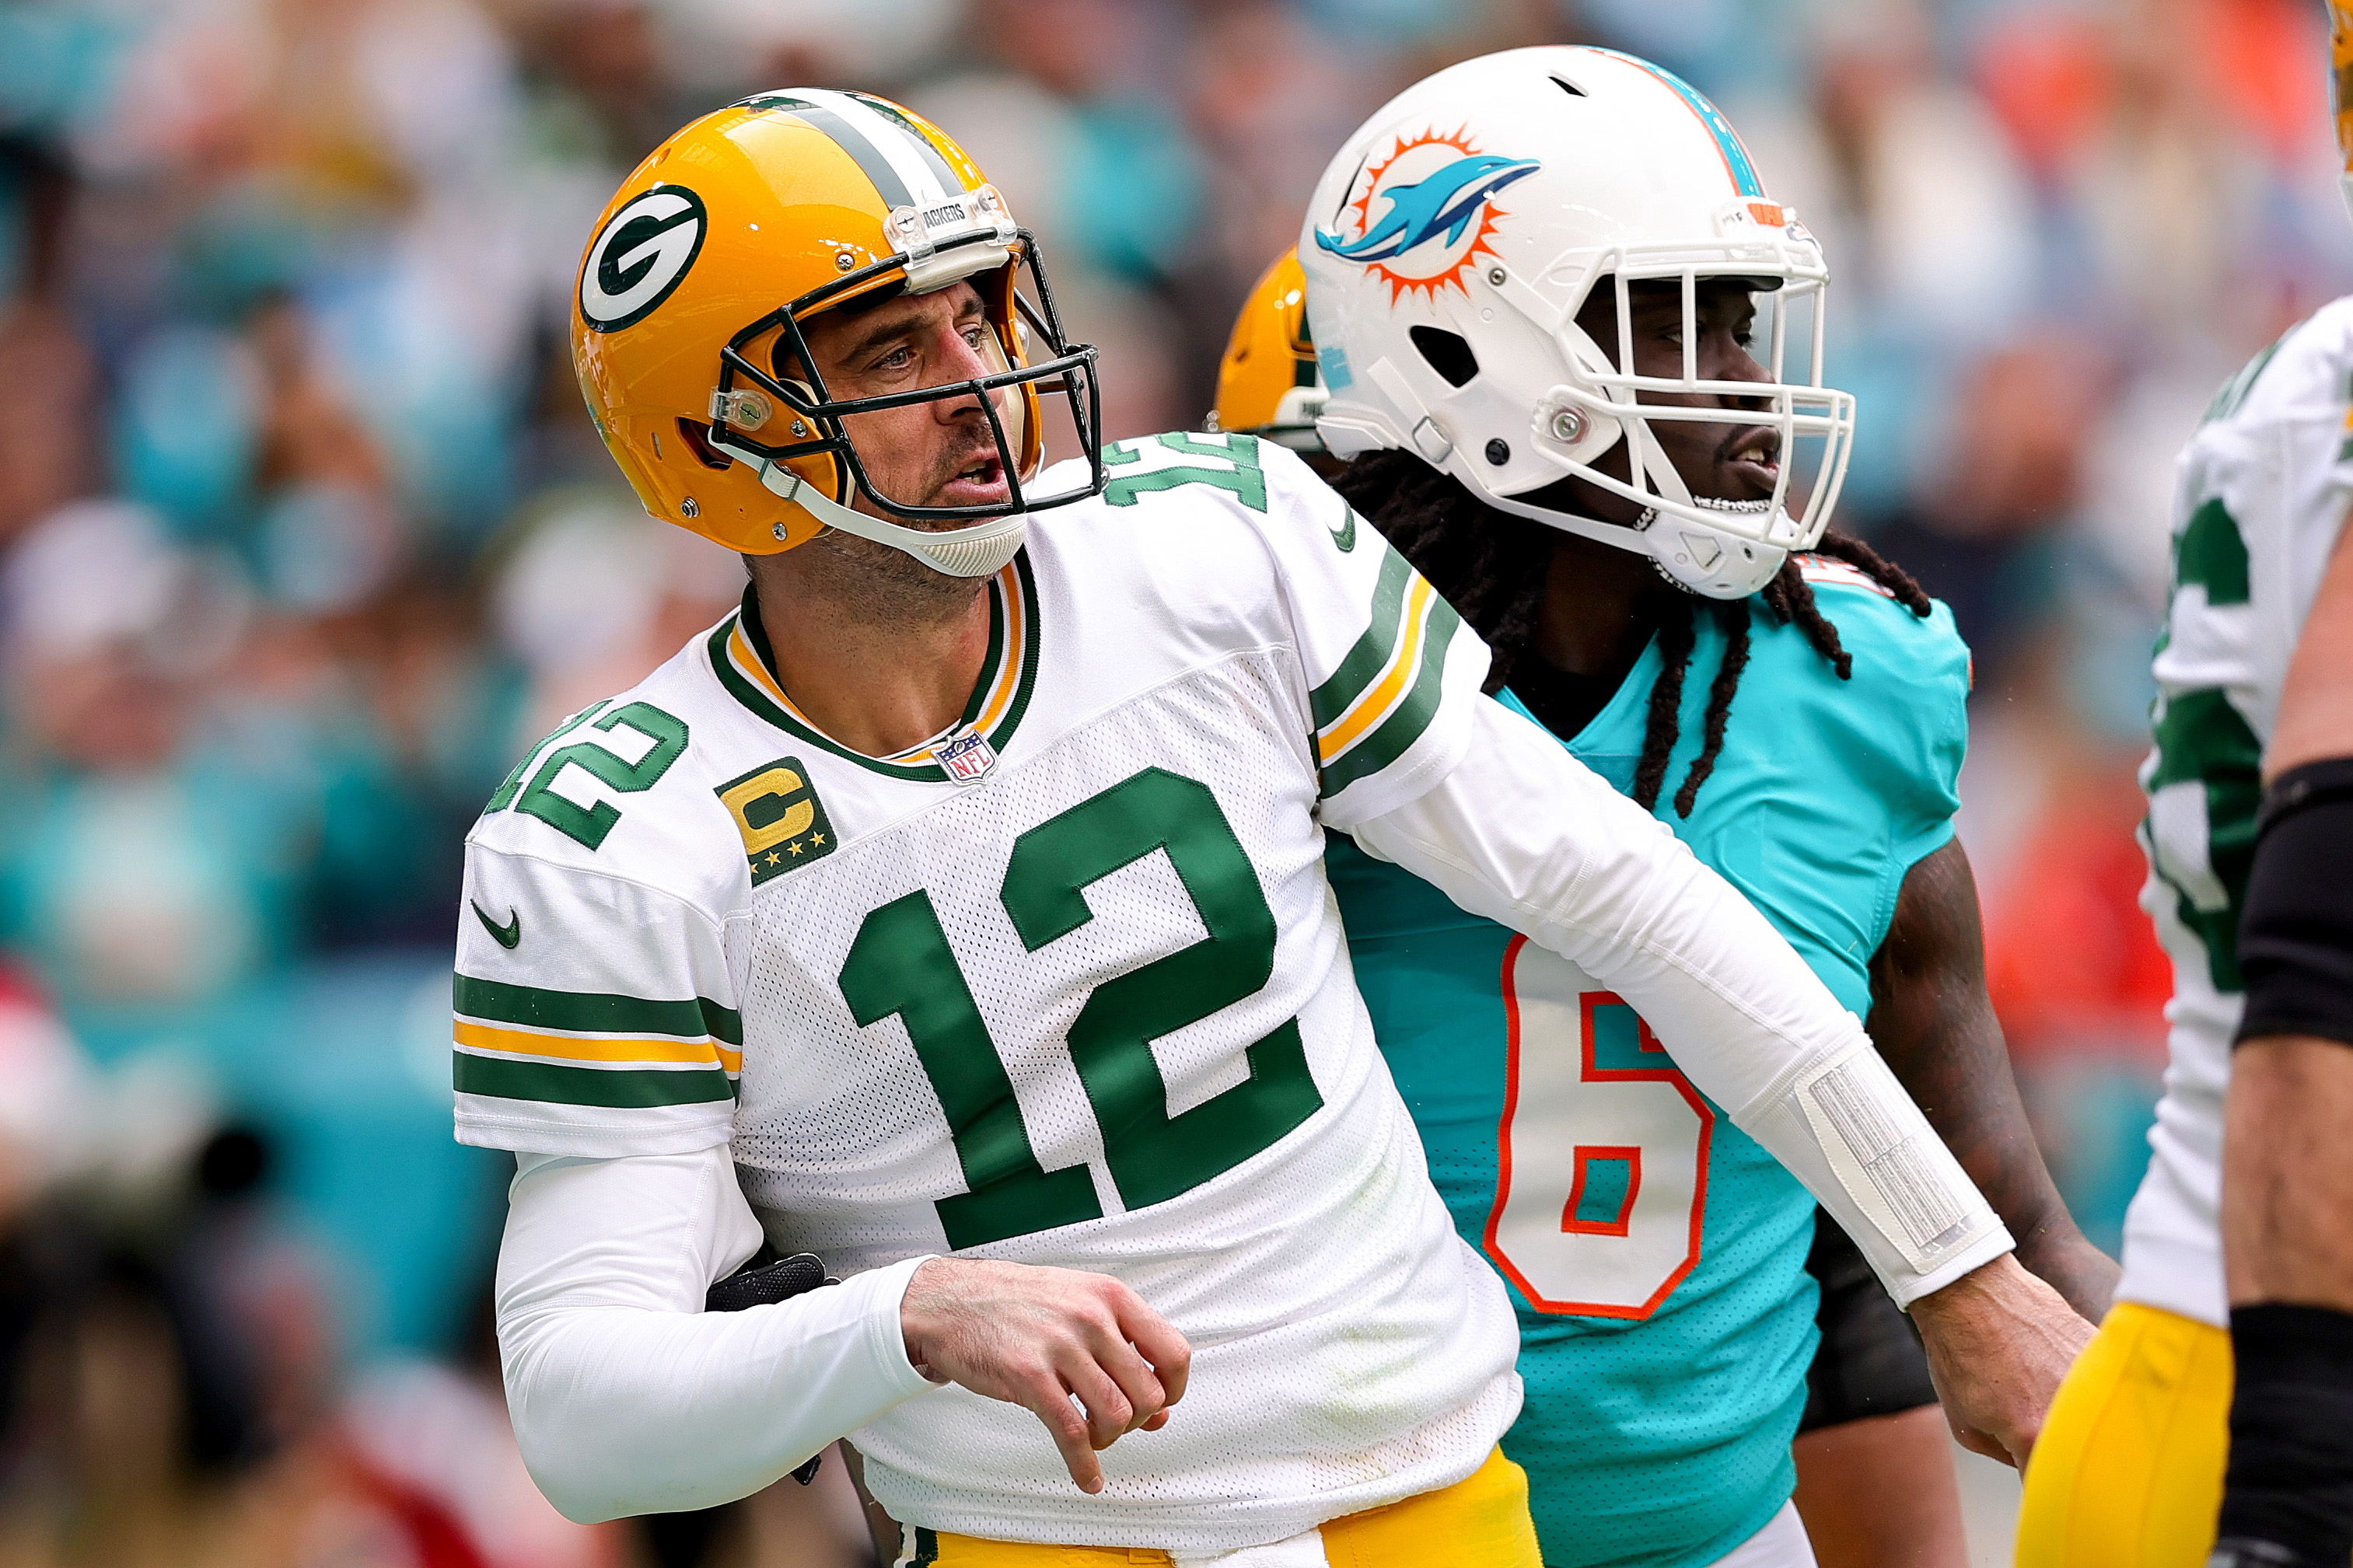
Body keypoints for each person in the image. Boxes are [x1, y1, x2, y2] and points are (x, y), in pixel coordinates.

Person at [463, 87, 2084, 1567]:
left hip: (1437, 1503)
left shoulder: (1215, 548)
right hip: (1045, 1537)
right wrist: (906, 1317)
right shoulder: (613, 838)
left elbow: (1629, 898)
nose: (982, 388)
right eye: (889, 351)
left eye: (982, 314)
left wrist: (1957, 1268)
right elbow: (581, 1413)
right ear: (712, 445)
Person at [1281, 46, 2107, 1568]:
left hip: (1722, 1533)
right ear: (1466, 349)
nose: (1742, 382)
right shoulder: (1281, 670)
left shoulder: (1859, 668)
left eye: (1739, 319)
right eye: (1675, 322)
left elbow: (2012, 1221)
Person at [2016, 9, 2353, 1560]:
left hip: (2173, 1362)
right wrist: (2300, 1455)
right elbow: (2323, 925)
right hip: (2284, 1387)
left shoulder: (2291, 382)